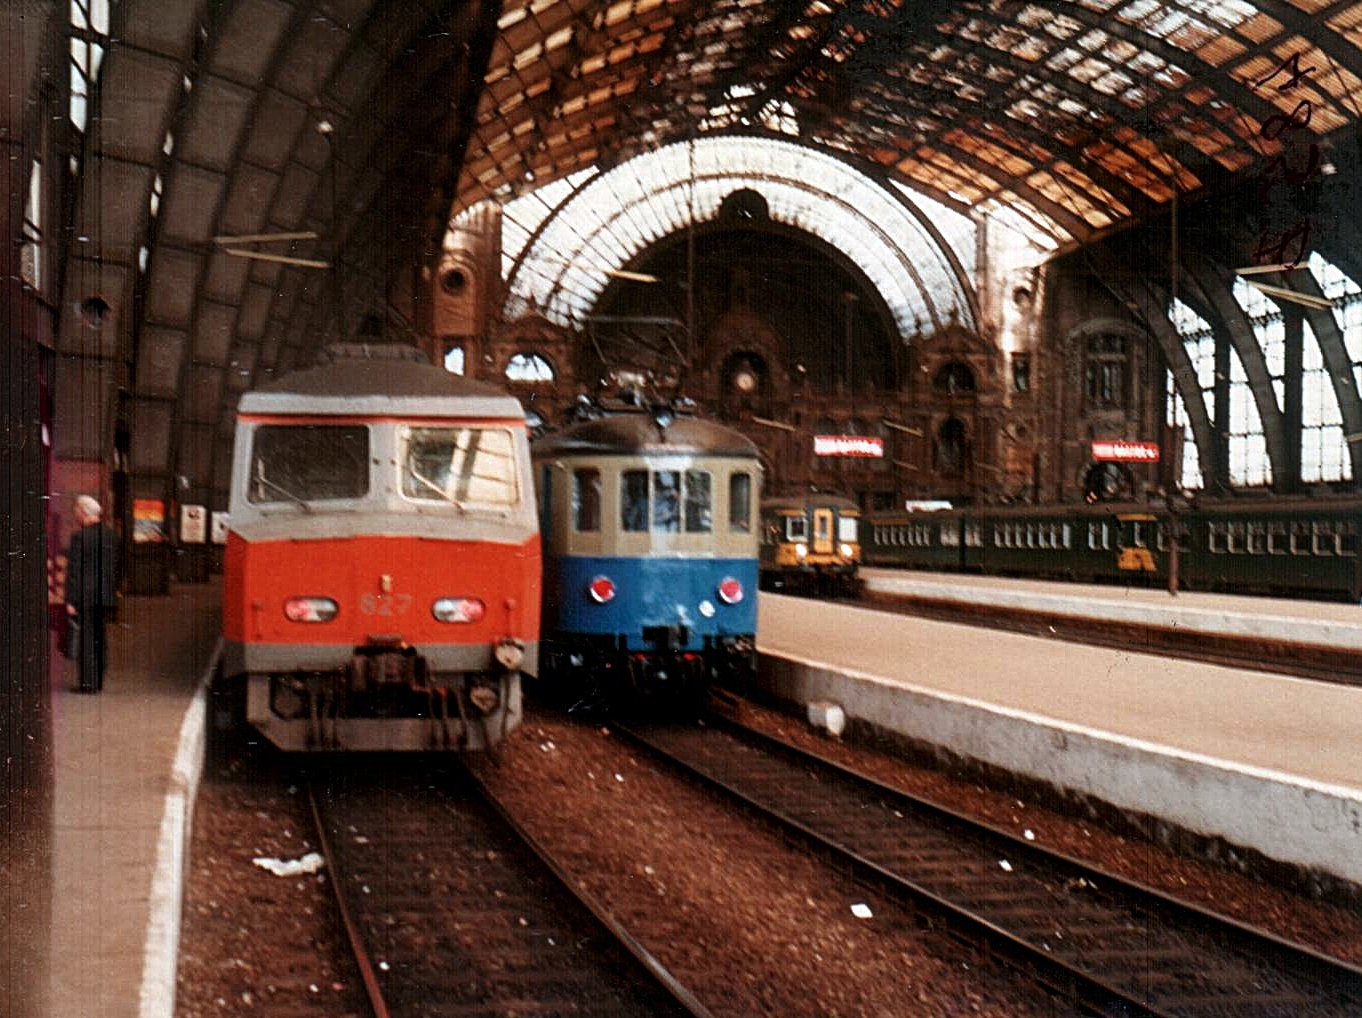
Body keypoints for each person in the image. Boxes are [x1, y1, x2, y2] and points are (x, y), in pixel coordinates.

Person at [65, 495, 120, 693]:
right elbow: (118, 567)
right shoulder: (111, 535)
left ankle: (87, 684)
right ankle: (98, 681)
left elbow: (74, 572)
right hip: (104, 595)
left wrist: (70, 600)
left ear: (83, 512)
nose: (76, 515)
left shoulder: (80, 538)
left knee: (86, 640)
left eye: (76, 511)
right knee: (100, 638)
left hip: (85, 596)